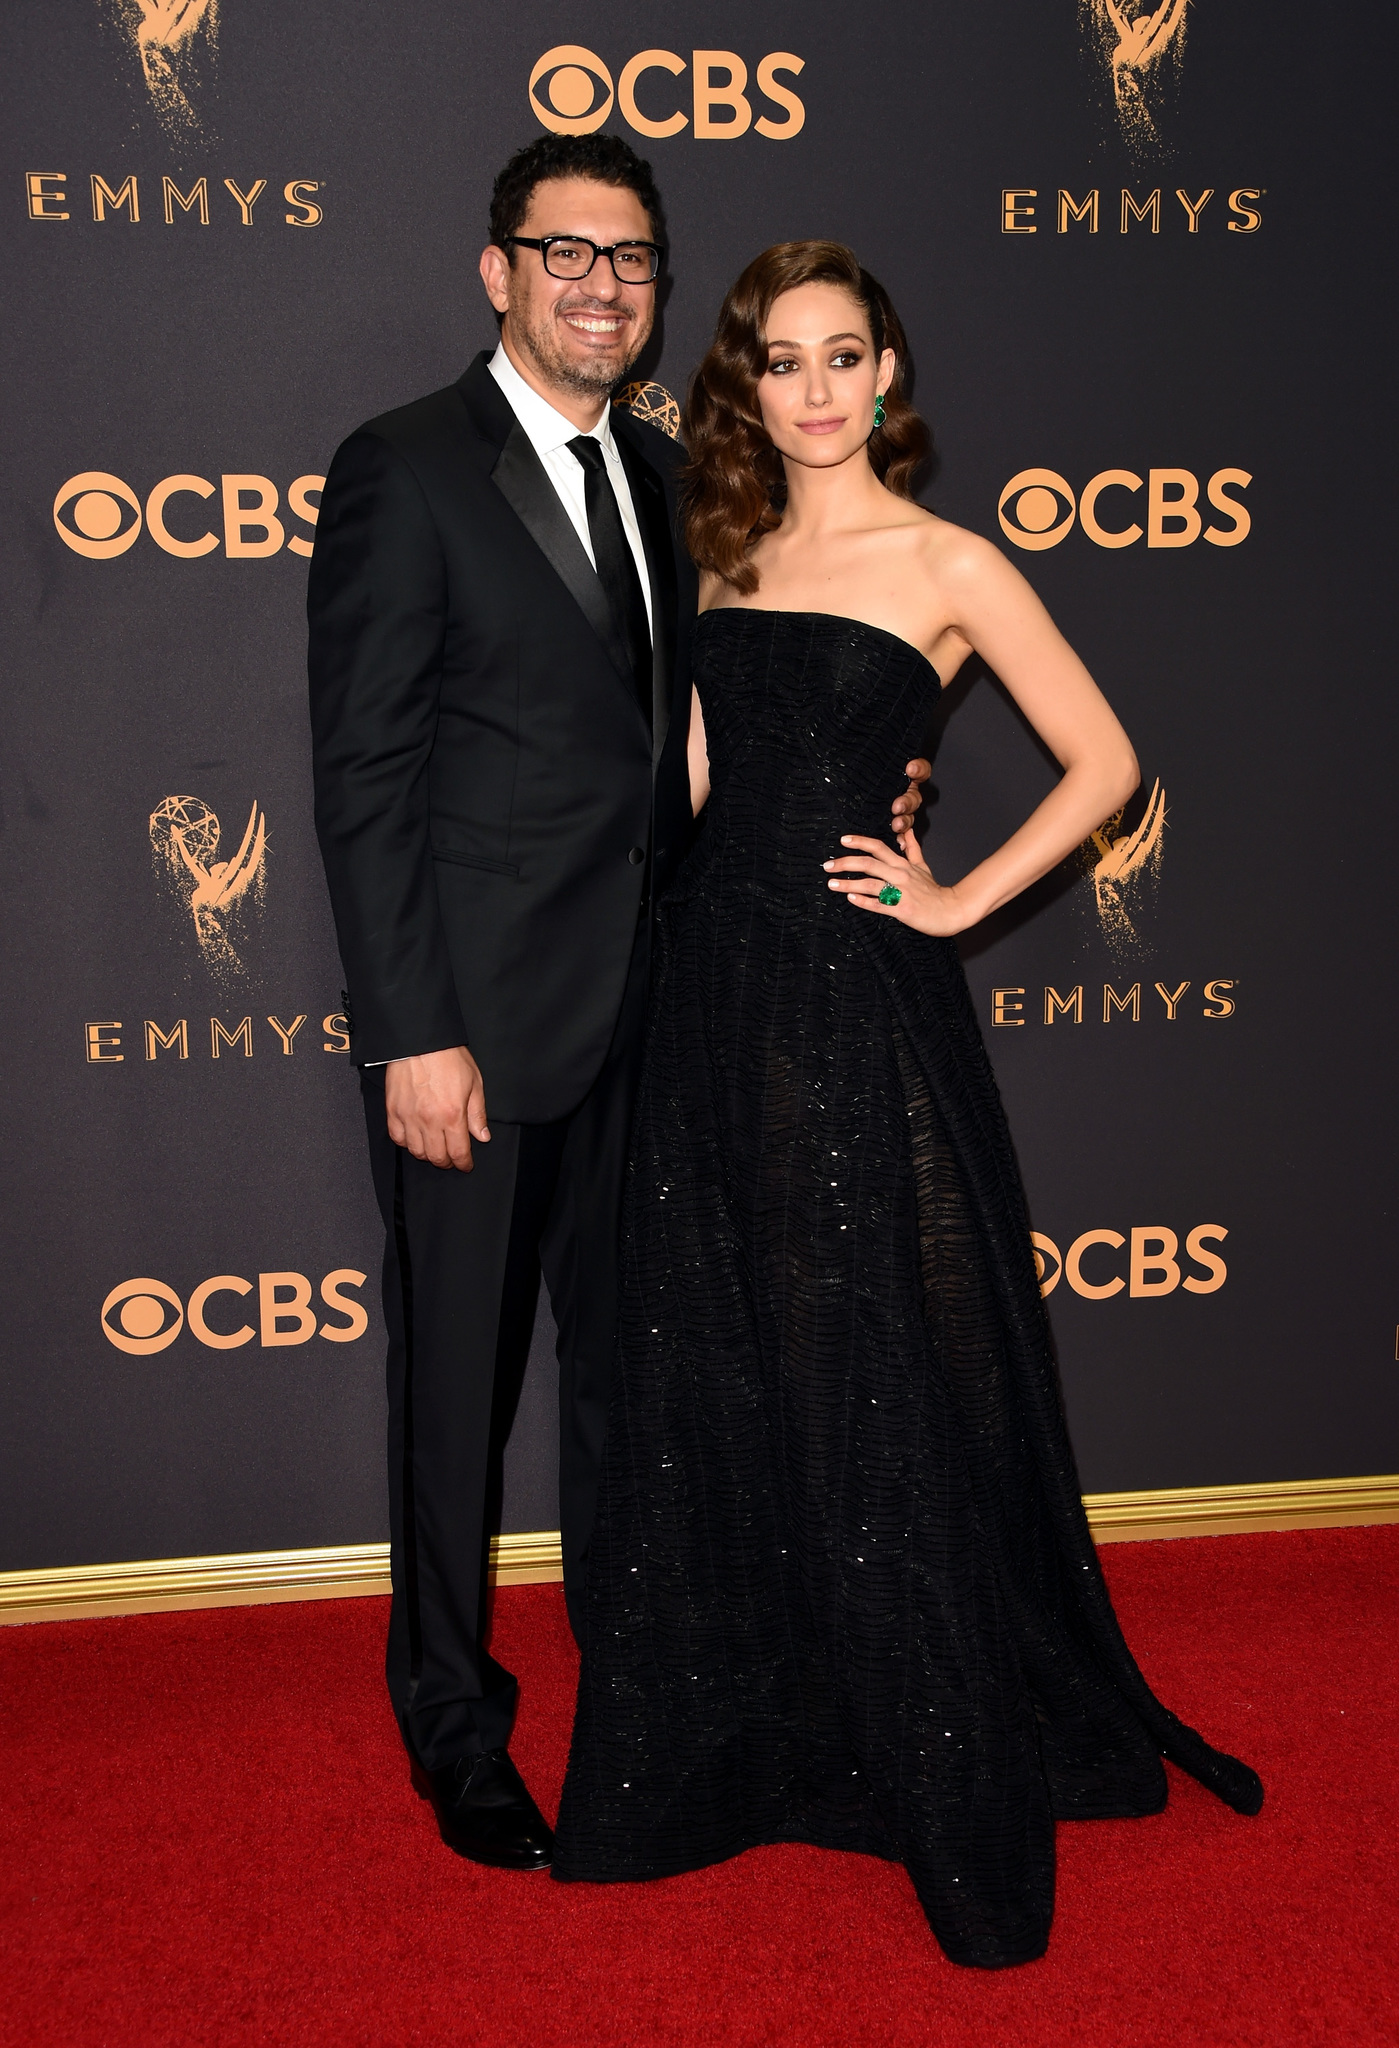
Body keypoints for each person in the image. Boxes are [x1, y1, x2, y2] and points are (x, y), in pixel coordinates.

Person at [552, 241, 1262, 1966]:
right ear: (750, 383)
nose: (812, 387)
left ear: (888, 375)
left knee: (867, 1364)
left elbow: (1106, 759)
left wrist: (950, 900)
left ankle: (945, 1766)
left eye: (842, 354)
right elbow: (698, 787)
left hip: (854, 1005)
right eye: (781, 359)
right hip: (709, 992)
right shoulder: (719, 561)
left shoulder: (951, 561)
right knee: (713, 1359)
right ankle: (762, 1746)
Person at [308, 156, 928, 1874]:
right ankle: (452, 1720)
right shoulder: (405, 468)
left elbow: (725, 725)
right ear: (496, 270)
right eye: (565, 254)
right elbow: (363, 779)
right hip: (476, 1045)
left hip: (659, 1026)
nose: (601, 284)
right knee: (455, 1397)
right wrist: (409, 1031)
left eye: (633, 260)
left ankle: (640, 1688)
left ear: (658, 290)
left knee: (629, 1396)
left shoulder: (672, 480)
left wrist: (884, 770)